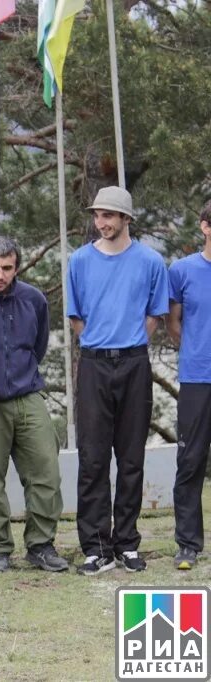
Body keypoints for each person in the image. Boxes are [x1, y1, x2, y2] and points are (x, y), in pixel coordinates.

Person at [67, 186, 169, 576]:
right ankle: (95, 547)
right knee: (93, 458)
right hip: (93, 365)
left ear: (126, 218)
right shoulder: (79, 260)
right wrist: (98, 345)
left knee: (131, 457)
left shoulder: (150, 261)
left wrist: (127, 344)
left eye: (109, 216)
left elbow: (153, 316)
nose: (102, 222)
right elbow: (77, 319)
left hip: (134, 364)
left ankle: (126, 543)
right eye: (97, 215)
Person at [0, 237, 68, 573]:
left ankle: (41, 545)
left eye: (6, 268)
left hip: (27, 395)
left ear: (16, 268)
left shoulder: (33, 299)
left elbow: (39, 344)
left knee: (46, 471)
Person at [166, 202, 211, 570]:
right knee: (191, 461)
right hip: (197, 379)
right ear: (204, 227)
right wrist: (197, 352)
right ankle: (188, 545)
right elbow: (175, 324)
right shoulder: (182, 271)